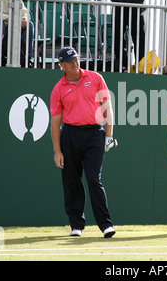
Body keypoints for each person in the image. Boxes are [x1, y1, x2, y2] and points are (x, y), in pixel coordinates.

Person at [50, 47, 118, 238]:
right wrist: (57, 151)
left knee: (93, 178)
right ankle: (76, 225)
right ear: (61, 65)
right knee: (72, 180)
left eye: (76, 59)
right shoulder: (58, 88)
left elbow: (107, 107)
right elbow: (56, 122)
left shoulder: (95, 78)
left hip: (95, 133)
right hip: (70, 135)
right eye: (70, 61)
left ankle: (105, 225)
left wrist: (109, 135)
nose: (75, 63)